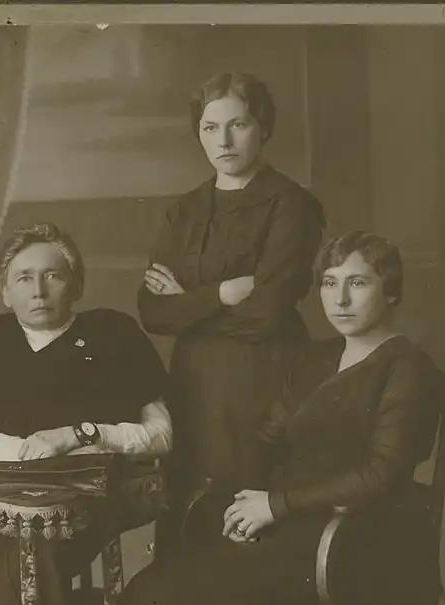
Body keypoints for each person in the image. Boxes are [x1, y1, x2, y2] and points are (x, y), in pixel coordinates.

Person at [107, 231, 445, 605]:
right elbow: (267, 439)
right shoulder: (316, 357)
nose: (339, 298)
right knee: (156, 590)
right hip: (285, 517)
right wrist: (244, 502)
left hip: (350, 531)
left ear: (391, 292)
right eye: (328, 282)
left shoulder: (407, 368)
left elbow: (382, 473)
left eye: (357, 283)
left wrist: (274, 506)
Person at [0, 223, 173, 605]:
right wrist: (31, 455)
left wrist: (78, 436)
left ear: (76, 284)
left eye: (52, 275)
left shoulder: (113, 333)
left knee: (25, 553)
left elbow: (161, 434)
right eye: (23, 278)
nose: (38, 290)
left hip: (92, 496)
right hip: (4, 500)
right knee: (5, 551)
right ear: (5, 292)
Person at [137, 72, 326, 550]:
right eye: (209, 127)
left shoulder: (291, 204)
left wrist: (189, 303)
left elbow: (269, 310)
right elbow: (152, 311)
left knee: (251, 505)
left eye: (237, 124)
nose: (222, 140)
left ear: (262, 126)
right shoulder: (184, 210)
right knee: (190, 512)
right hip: (194, 385)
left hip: (263, 379)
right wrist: (220, 293)